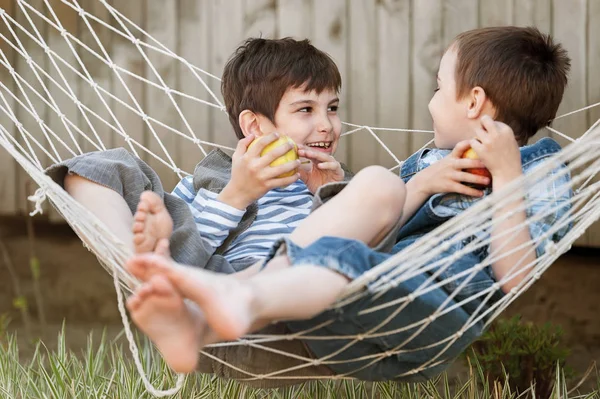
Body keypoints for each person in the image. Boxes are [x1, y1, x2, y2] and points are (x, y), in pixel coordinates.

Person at [124, 26, 574, 381]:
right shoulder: (430, 162)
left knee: (343, 247)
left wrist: (509, 177)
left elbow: (516, 277)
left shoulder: (543, 174)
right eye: (306, 110)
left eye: (439, 88)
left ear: (474, 101)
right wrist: (413, 185)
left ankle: (225, 299)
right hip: (361, 279)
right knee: (347, 237)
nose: (432, 102)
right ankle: (205, 317)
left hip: (424, 304)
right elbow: (382, 223)